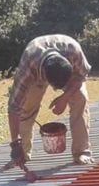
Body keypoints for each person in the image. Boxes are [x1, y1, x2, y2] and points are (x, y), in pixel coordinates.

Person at [8, 34, 94, 168]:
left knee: (80, 98)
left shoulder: (74, 51)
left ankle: (82, 151)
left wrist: (65, 97)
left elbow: (81, 76)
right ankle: (22, 153)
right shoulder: (28, 67)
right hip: (36, 73)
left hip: (69, 74)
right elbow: (14, 107)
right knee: (26, 108)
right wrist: (15, 143)